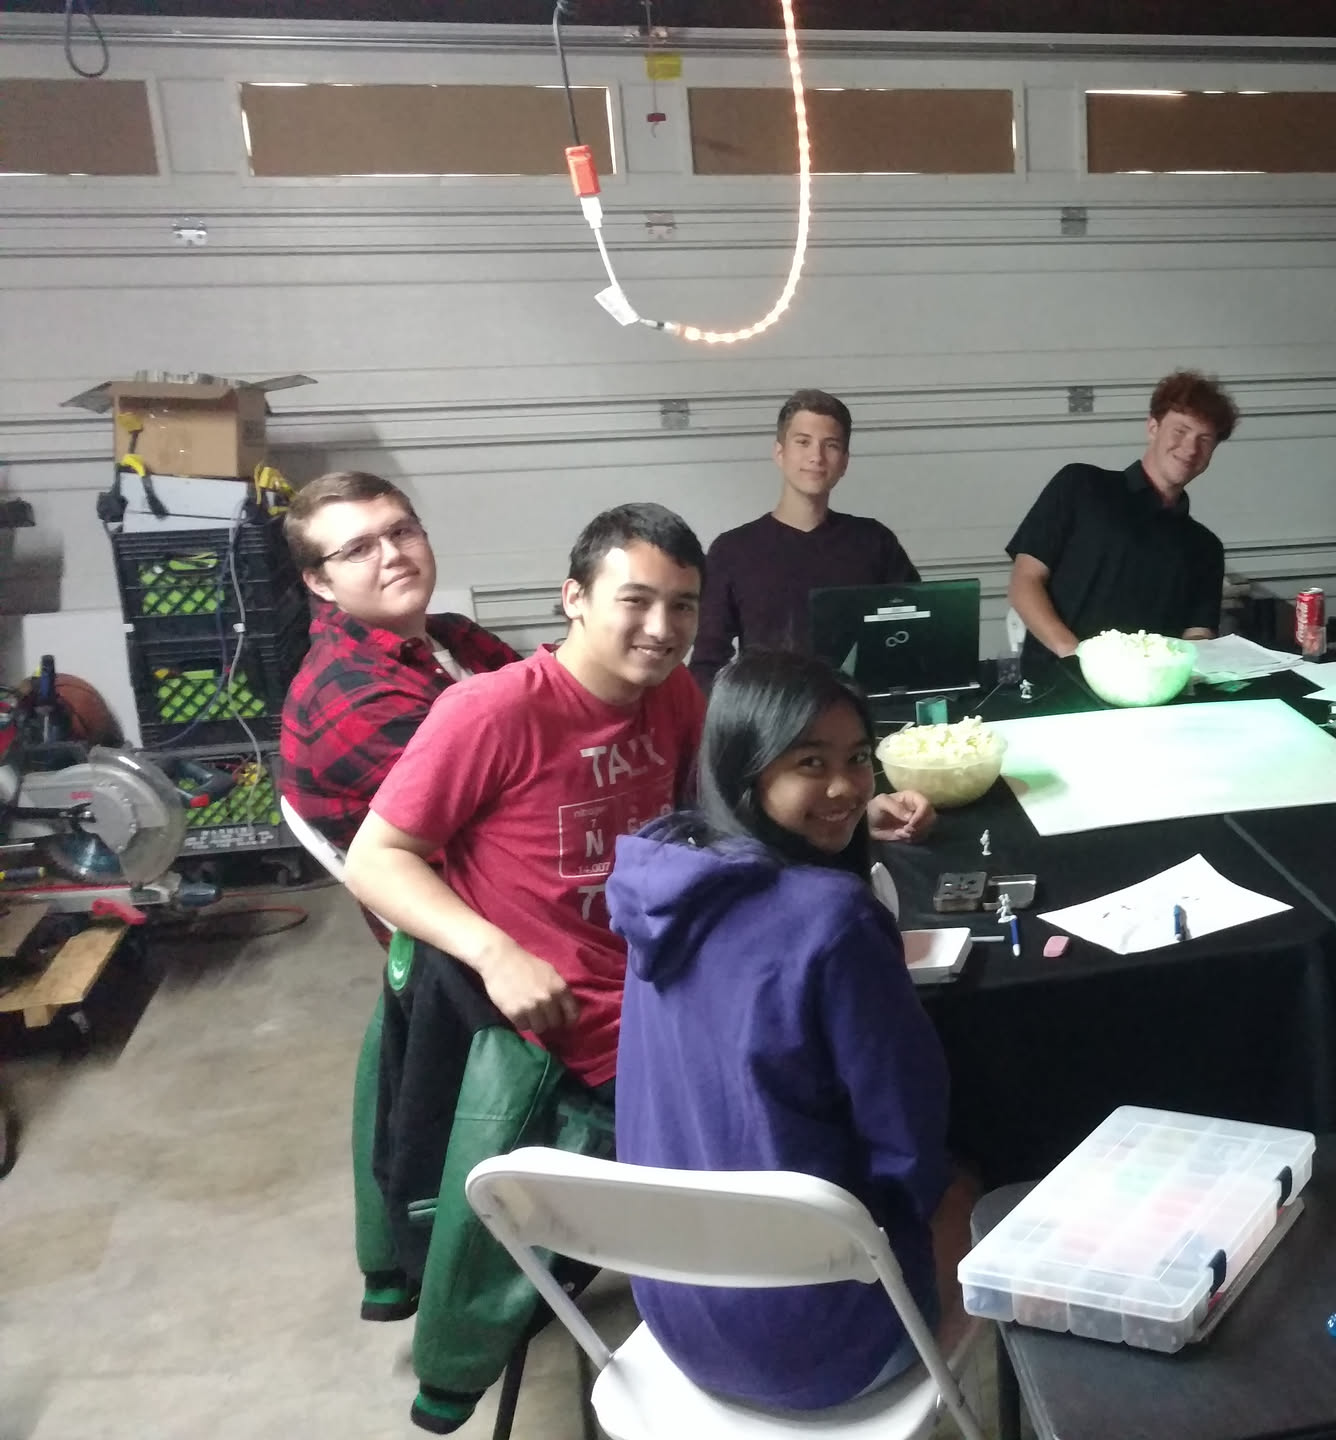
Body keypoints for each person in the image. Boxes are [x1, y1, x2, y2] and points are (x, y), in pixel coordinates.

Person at [609, 649, 975, 1410]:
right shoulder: (832, 920)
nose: (846, 787)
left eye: (858, 758)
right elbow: (907, 1147)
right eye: (811, 762)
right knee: (981, 1183)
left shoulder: (659, 881)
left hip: (680, 1319)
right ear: (747, 768)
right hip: (822, 1350)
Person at [344, 504, 710, 1091]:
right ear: (575, 598)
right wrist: (494, 954)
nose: (662, 629)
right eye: (636, 601)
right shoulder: (493, 712)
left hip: (672, 977)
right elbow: (374, 859)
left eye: (682, 606)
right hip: (582, 1027)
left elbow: (704, 811)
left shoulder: (674, 691)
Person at [280, 471, 519, 861]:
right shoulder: (353, 695)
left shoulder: (455, 634)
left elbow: (553, 706)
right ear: (320, 583)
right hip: (475, 881)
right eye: (358, 549)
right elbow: (511, 815)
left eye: (401, 532)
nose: (393, 555)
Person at [688, 390, 922, 694]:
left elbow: (917, 634)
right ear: (779, 453)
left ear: (844, 462)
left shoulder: (875, 543)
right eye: (803, 442)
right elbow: (707, 663)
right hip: (769, 716)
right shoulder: (732, 551)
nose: (816, 457)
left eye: (831, 445)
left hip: (857, 713)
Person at [1007, 370, 1235, 678]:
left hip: (1153, 695)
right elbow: (1024, 582)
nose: (1190, 448)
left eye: (1204, 439)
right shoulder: (1080, 485)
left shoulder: (1205, 547)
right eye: (1180, 431)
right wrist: (1077, 657)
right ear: (1153, 428)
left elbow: (1197, 635)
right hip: (1058, 686)